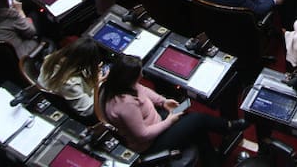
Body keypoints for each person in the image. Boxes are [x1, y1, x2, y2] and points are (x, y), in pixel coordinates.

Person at [103, 54, 244, 165]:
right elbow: (143, 135)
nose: (142, 75)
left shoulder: (121, 84)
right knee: (197, 119)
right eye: (139, 73)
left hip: (156, 121)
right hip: (150, 144)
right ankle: (229, 126)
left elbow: (142, 90)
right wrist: (169, 122)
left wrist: (163, 101)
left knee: (190, 118)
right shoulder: (125, 104)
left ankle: (212, 161)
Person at [39, 36, 102, 117]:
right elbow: (87, 111)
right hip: (84, 115)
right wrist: (97, 85)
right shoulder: (71, 83)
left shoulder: (51, 59)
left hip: (48, 99)